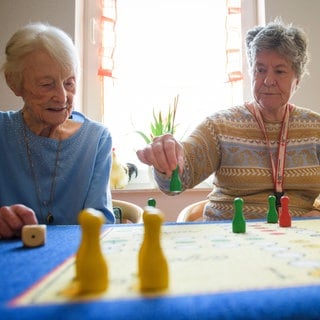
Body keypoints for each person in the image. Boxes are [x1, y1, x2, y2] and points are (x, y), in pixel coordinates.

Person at [137, 19, 320, 221]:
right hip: (230, 236)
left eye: (279, 71)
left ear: (297, 80)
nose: (268, 80)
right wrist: (168, 160)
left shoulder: (315, 128)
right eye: (260, 70)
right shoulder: (220, 125)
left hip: (297, 240)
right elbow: (181, 176)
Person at [0, 23, 115, 239]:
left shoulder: (96, 139)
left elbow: (101, 224)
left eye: (69, 83)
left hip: (74, 261)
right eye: (46, 85)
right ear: (14, 82)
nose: (62, 97)